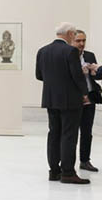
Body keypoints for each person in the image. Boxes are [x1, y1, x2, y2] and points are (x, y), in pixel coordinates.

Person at [35, 22, 90, 184]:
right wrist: (85, 93)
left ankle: (54, 171)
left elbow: (39, 75)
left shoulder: (43, 51)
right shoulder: (70, 51)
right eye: (74, 35)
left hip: (51, 99)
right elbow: (76, 76)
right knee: (69, 135)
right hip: (70, 100)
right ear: (70, 34)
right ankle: (67, 172)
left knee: (54, 134)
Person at [73, 30, 102, 172]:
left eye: (83, 40)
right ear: (72, 41)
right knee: (71, 133)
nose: (81, 43)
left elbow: (96, 76)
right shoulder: (68, 56)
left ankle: (85, 161)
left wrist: (94, 72)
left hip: (90, 99)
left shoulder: (90, 55)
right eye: (78, 41)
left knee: (87, 132)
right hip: (74, 100)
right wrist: (80, 72)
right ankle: (68, 162)